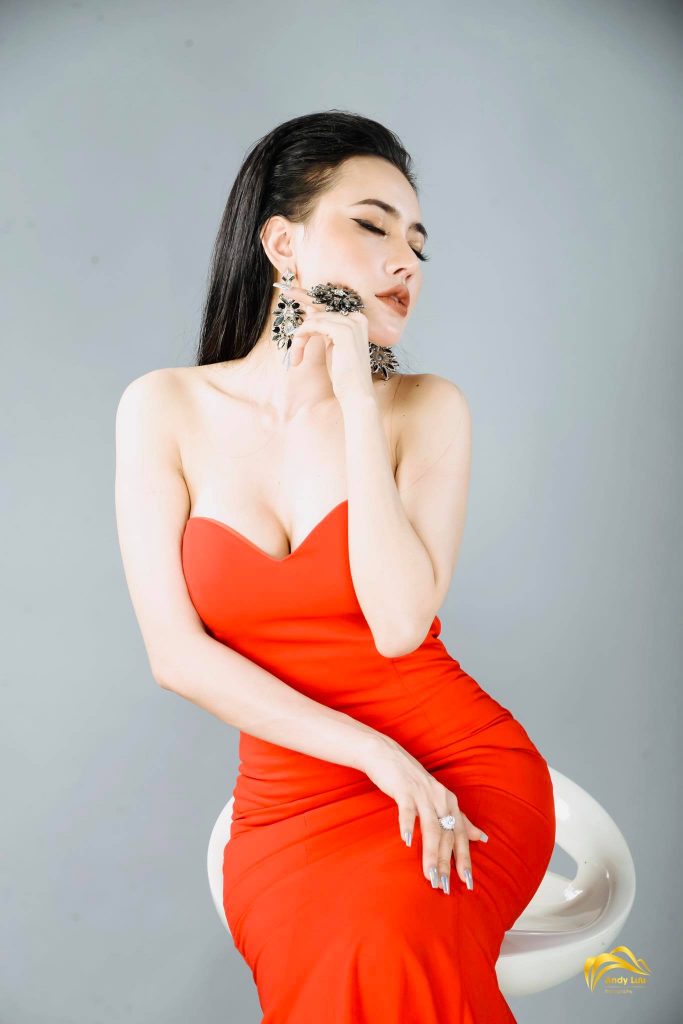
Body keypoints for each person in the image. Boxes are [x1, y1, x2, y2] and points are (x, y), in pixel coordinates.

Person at [115, 109, 556, 1023]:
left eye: (418, 243)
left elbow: (397, 627)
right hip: (294, 802)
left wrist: (357, 397)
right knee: (340, 955)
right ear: (282, 244)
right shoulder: (163, 409)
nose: (406, 261)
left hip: (458, 768)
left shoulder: (425, 409)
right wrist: (374, 756)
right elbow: (175, 656)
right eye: (372, 226)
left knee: (387, 942)